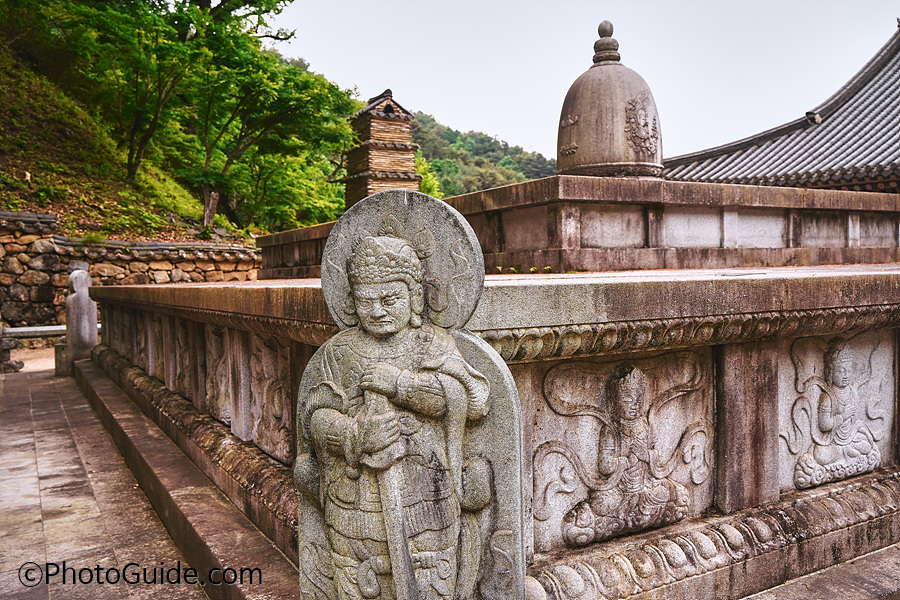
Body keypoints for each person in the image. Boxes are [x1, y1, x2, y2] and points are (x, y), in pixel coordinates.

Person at [299, 235, 490, 600]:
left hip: (427, 498)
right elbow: (316, 416)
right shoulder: (339, 352)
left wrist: (401, 384)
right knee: (353, 580)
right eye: (365, 301)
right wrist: (353, 434)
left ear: (414, 297)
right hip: (353, 504)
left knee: (431, 578)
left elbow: (471, 399)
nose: (377, 311)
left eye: (390, 300)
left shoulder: (432, 343)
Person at [562, 364, 688, 546]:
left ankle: (611, 523)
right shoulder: (610, 430)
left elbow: (656, 457)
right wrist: (624, 462)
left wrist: (645, 455)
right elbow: (604, 465)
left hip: (646, 488)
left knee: (668, 491)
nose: (635, 405)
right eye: (628, 399)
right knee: (601, 501)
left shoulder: (645, 426)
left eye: (639, 399)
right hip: (619, 490)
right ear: (615, 400)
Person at [794, 342, 880, 488]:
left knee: (865, 446)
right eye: (840, 371)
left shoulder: (852, 392)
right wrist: (842, 416)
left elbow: (855, 423)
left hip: (850, 438)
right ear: (831, 372)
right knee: (822, 455)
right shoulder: (827, 397)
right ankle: (846, 460)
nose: (845, 375)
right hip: (833, 442)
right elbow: (824, 425)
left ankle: (846, 458)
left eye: (848, 370)